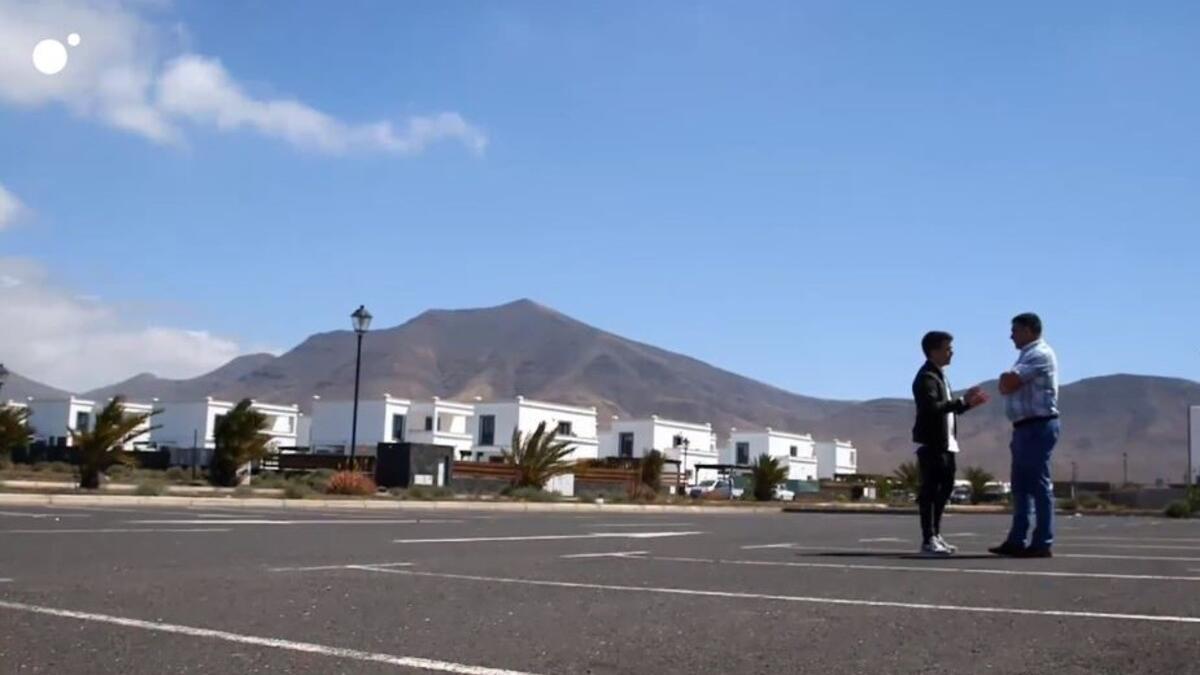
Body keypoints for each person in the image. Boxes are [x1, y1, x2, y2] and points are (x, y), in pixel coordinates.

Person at [989, 313, 1060, 558]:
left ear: (1029, 330)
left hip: (1038, 425)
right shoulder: (1026, 355)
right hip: (1023, 426)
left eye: (1016, 331)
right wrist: (1006, 382)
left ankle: (1042, 541)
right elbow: (1007, 383)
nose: (1011, 336)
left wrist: (1007, 382)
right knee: (1020, 485)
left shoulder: (1040, 353)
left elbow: (1009, 382)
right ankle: (1017, 539)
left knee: (1038, 485)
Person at [912, 331, 989, 556]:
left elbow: (946, 409)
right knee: (931, 492)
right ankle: (928, 539)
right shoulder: (926, 377)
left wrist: (967, 405)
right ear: (934, 350)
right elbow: (932, 408)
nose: (951, 352)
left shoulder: (940, 376)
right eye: (947, 348)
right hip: (932, 444)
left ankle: (936, 535)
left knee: (943, 492)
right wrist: (960, 401)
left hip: (947, 444)